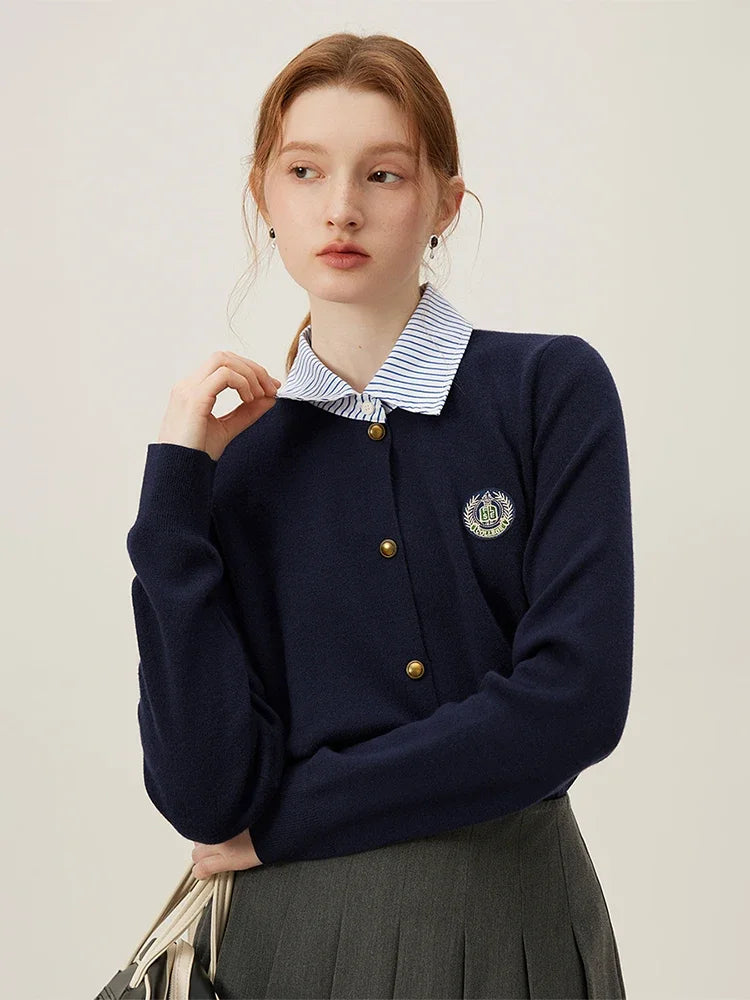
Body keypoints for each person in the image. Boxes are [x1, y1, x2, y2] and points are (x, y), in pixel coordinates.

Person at [126, 31, 633, 1000]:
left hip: (509, 928)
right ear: (262, 196)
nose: (341, 208)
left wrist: (287, 820)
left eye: (384, 174)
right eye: (305, 171)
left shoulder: (546, 389)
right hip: (288, 947)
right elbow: (204, 795)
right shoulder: (236, 465)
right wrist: (173, 491)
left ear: (445, 201)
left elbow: (573, 703)